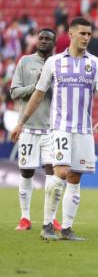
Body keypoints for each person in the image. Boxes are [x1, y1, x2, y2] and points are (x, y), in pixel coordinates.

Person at [11, 17, 98, 242]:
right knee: (61, 173)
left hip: (84, 130)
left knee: (75, 178)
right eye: (82, 33)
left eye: (89, 34)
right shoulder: (54, 62)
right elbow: (37, 94)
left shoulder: (96, 63)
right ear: (71, 34)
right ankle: (47, 224)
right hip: (59, 128)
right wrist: (21, 122)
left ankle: (66, 228)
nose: (86, 38)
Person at [10, 29, 60, 232]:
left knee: (52, 173)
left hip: (51, 129)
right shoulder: (25, 62)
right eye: (41, 38)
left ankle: (51, 218)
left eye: (48, 39)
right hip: (29, 128)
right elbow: (14, 92)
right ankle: (25, 218)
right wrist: (37, 85)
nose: (44, 41)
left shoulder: (59, 64)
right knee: (26, 171)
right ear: (36, 41)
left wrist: (50, 82)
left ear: (54, 43)